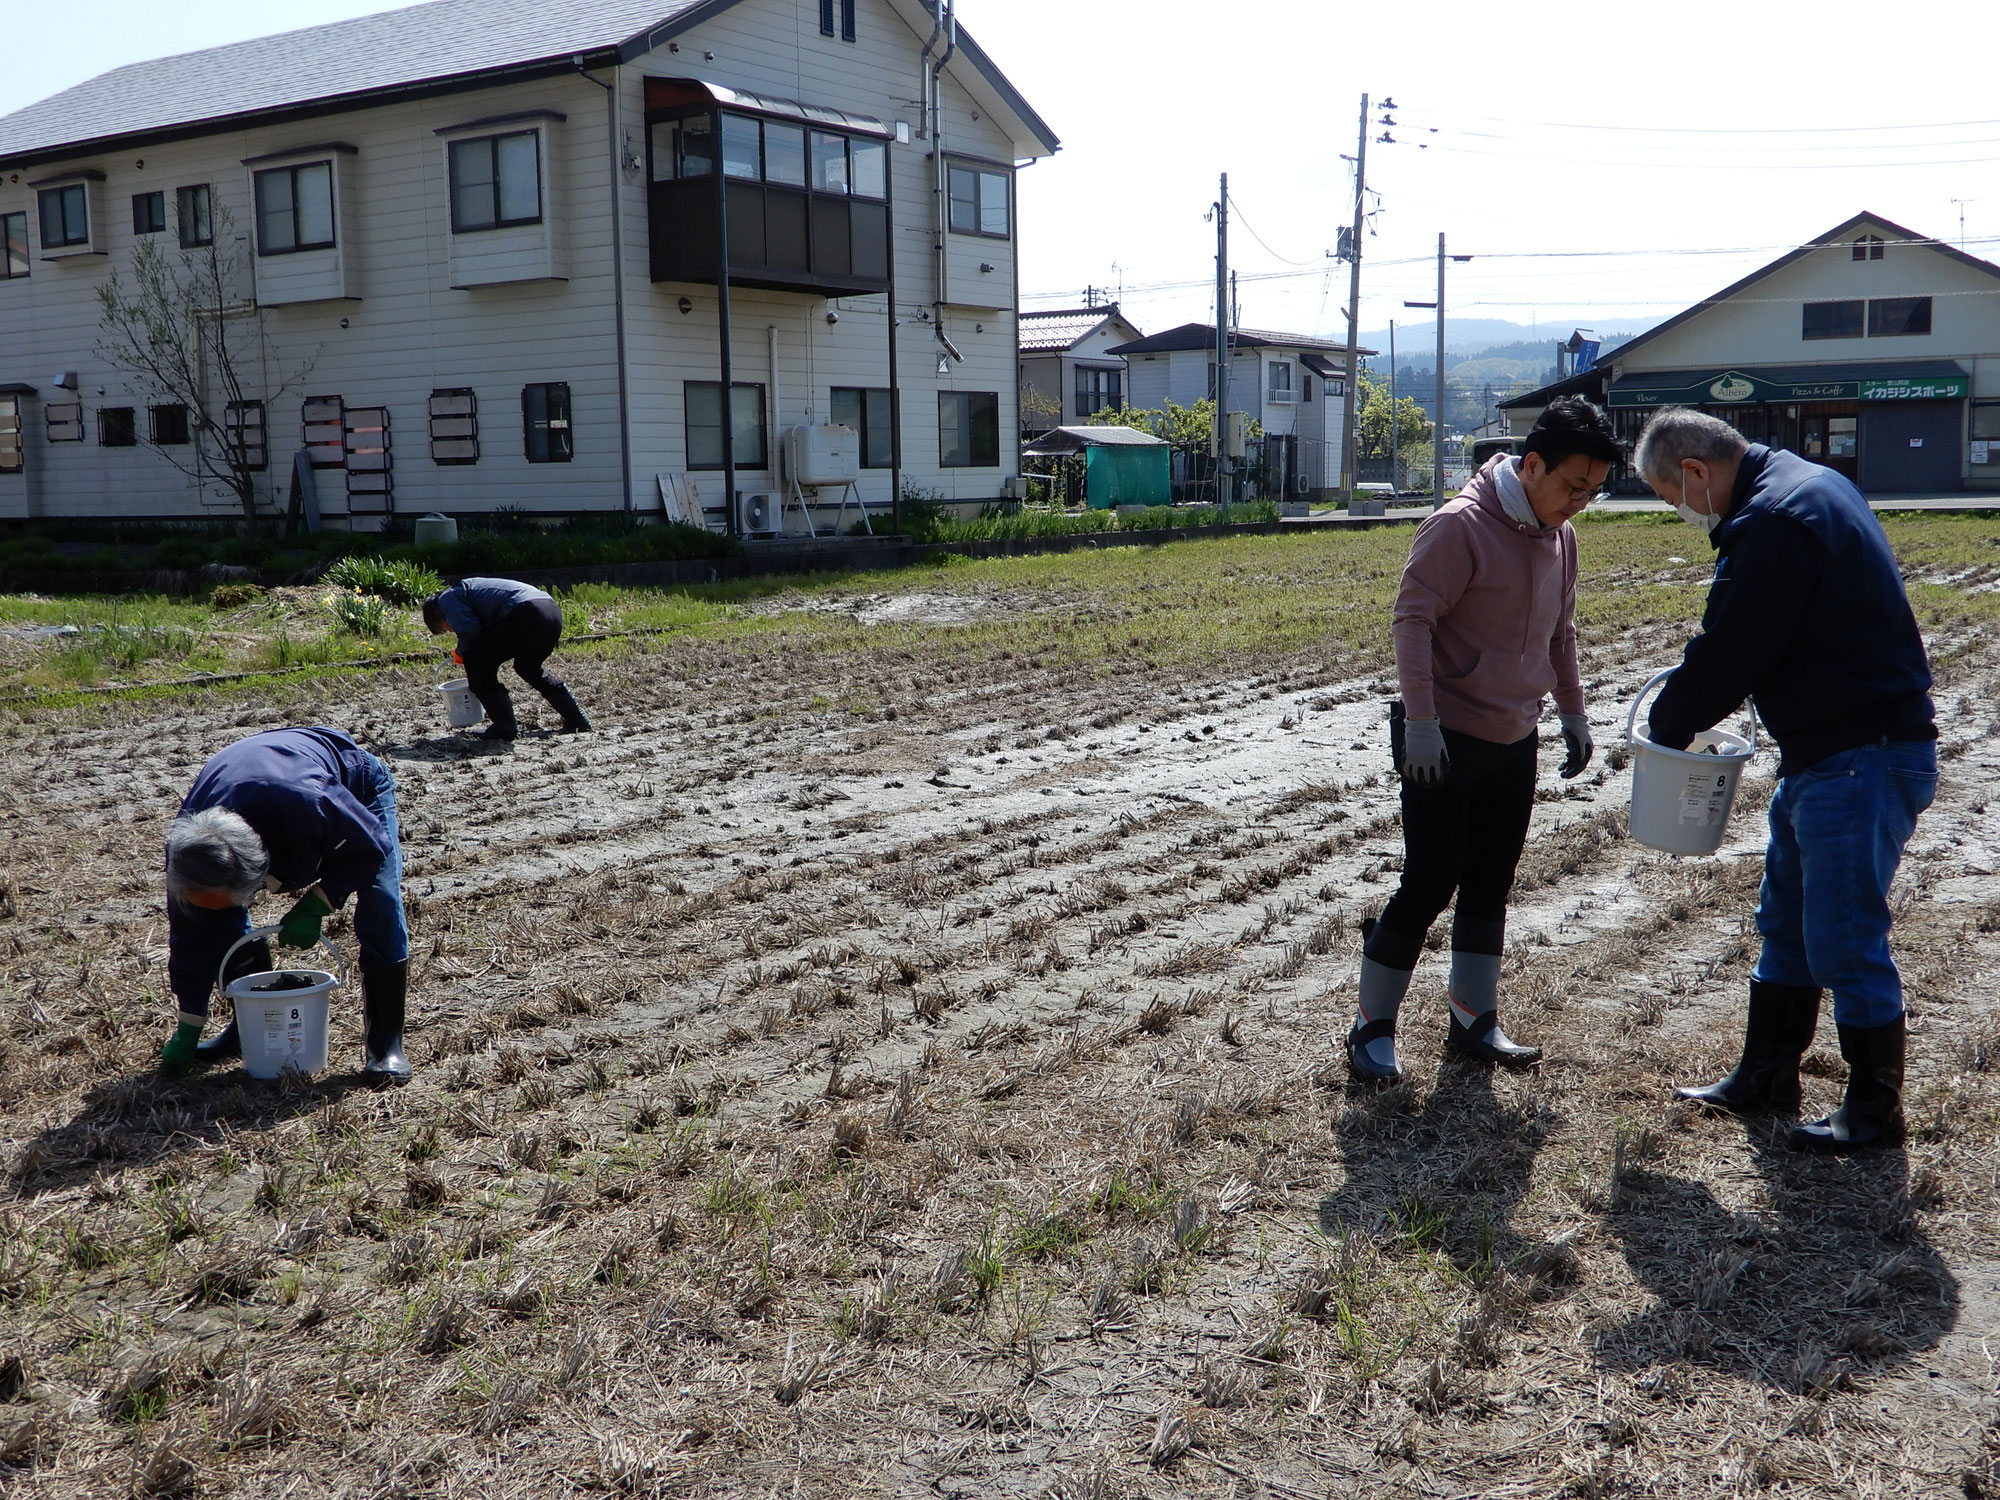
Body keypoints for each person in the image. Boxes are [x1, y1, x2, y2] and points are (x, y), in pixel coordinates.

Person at [1637, 407, 1936, 1154]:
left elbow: (1732, 647)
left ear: (1698, 472)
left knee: (1843, 936)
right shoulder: (1813, 485)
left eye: (1673, 496)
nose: (1681, 511)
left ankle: (1873, 1111)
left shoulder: (1776, 519)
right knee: (1788, 922)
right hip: (1826, 753)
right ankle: (1767, 1076)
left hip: (1861, 753)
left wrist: (1667, 731)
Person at [1344, 396, 1620, 1083]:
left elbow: (1561, 631)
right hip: (1443, 737)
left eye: (1592, 491)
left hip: (1513, 735)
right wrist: (1422, 723)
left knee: (1491, 884)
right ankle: (1370, 1031)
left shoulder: (1562, 535)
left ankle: (1474, 1022)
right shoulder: (1459, 527)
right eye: (1570, 486)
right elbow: (1412, 619)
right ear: (1531, 466)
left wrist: (1574, 714)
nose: (1580, 502)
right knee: (1430, 881)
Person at [160, 727, 411, 1082]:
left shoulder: (310, 802)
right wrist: (189, 1025)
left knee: (380, 899)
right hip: (259, 781)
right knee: (219, 925)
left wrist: (317, 904)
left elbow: (372, 848)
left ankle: (386, 1045)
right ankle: (246, 1030)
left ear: (257, 874)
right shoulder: (188, 858)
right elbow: (190, 939)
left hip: (355, 786)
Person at [422, 578, 590, 741]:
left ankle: (504, 728)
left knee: (476, 662)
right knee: (528, 667)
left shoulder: (446, 599)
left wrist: (460, 651)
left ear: (439, 617)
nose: (452, 630)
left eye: (446, 629)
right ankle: (577, 719)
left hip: (526, 611)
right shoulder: (467, 592)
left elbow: (469, 630)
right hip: (550, 611)